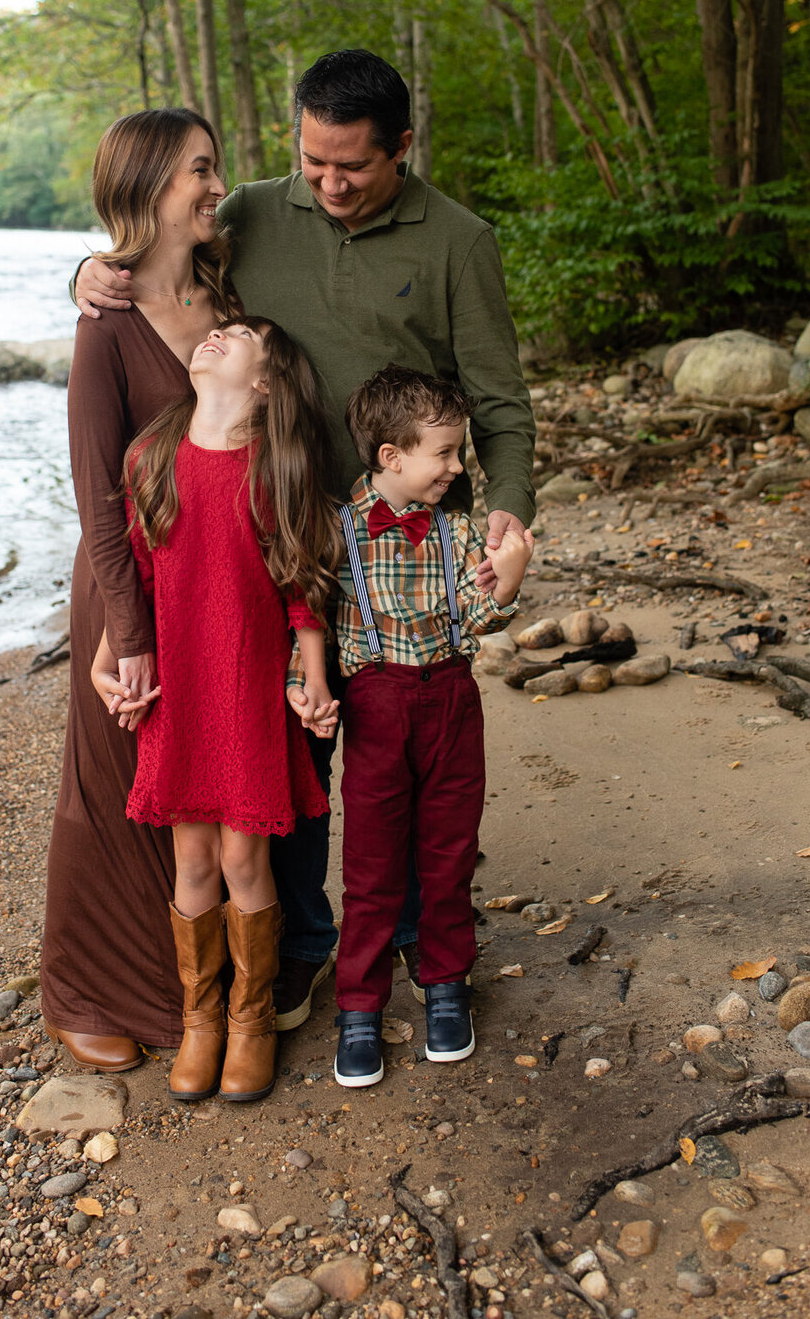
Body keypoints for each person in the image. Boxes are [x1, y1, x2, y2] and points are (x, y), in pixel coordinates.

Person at [73, 49, 537, 1028]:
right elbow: (160, 248)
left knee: (403, 753)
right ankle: (303, 948)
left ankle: (421, 938)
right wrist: (88, 270)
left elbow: (501, 402)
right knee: (282, 754)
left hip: (400, 550)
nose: (326, 183)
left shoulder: (459, 241)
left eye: (352, 168)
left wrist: (511, 508)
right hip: (267, 531)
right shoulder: (251, 213)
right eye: (312, 161)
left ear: (401, 149)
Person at [93, 318, 340, 1102]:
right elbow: (132, 575)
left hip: (246, 686)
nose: (214, 337)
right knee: (192, 861)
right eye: (216, 329)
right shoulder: (152, 457)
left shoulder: (273, 467)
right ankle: (202, 1020)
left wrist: (310, 682)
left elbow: (302, 589)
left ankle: (251, 1017)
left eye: (237, 337)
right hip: (181, 691)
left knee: (244, 861)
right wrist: (107, 659)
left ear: (266, 383)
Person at [41, 108, 235, 1070]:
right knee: (113, 787)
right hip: (130, 590)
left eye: (216, 167)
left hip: (224, 585)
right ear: (149, 185)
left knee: (201, 780)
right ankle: (85, 988)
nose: (215, 185)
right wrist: (131, 630)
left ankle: (193, 987)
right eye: (199, 170)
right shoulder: (105, 326)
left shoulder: (231, 285)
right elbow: (96, 500)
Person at [325, 366, 530, 1088]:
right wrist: (304, 686)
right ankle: (359, 1008)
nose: (455, 467)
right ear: (390, 457)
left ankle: (447, 986)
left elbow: (479, 620)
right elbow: (309, 621)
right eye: (444, 454)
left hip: (451, 701)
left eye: (458, 452)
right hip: (375, 706)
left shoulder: (460, 531)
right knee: (372, 868)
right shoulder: (336, 531)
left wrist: (508, 577)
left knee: (449, 853)